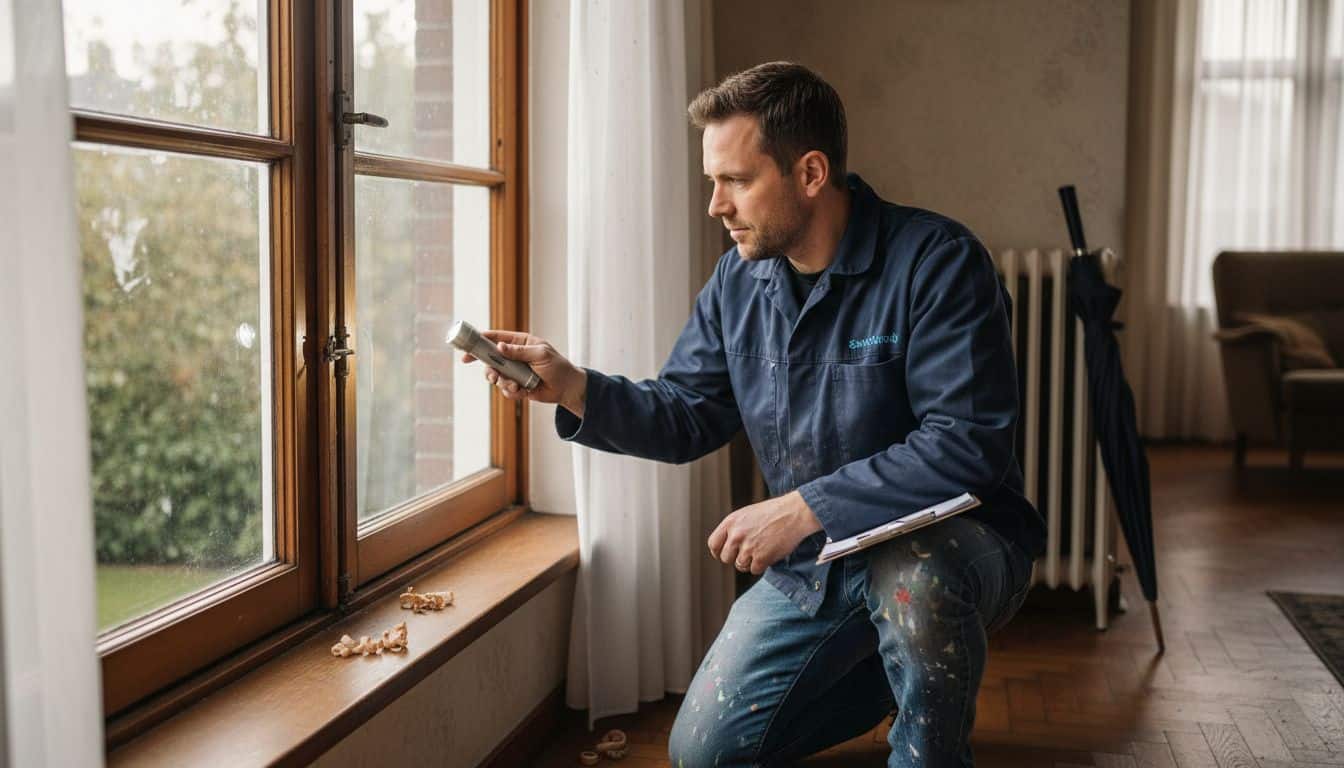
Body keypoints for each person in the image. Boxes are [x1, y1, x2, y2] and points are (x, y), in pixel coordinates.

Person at [462, 61, 1044, 768]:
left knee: (911, 576)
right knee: (703, 754)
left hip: (958, 547)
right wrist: (576, 386)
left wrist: (805, 506)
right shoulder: (739, 281)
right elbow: (687, 413)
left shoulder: (939, 262)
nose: (716, 205)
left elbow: (966, 447)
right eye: (714, 181)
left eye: (735, 181)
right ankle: (894, 672)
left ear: (810, 173)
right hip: (817, 569)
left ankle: (929, 749)